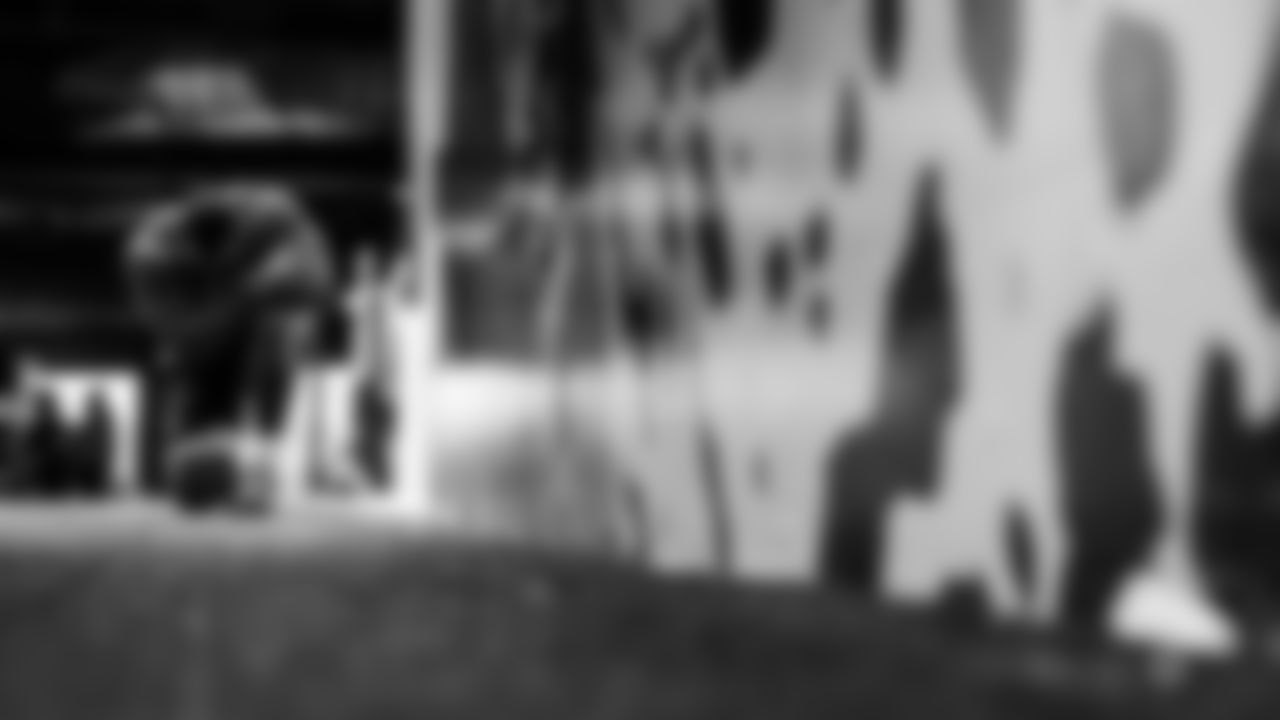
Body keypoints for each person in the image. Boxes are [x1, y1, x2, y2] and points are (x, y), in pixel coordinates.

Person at [126, 183, 335, 510]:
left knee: (272, 345)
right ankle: (211, 466)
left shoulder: (281, 238)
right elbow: (182, 330)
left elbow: (295, 292)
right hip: (216, 301)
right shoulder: (157, 255)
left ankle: (255, 463)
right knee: (208, 382)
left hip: (279, 292)